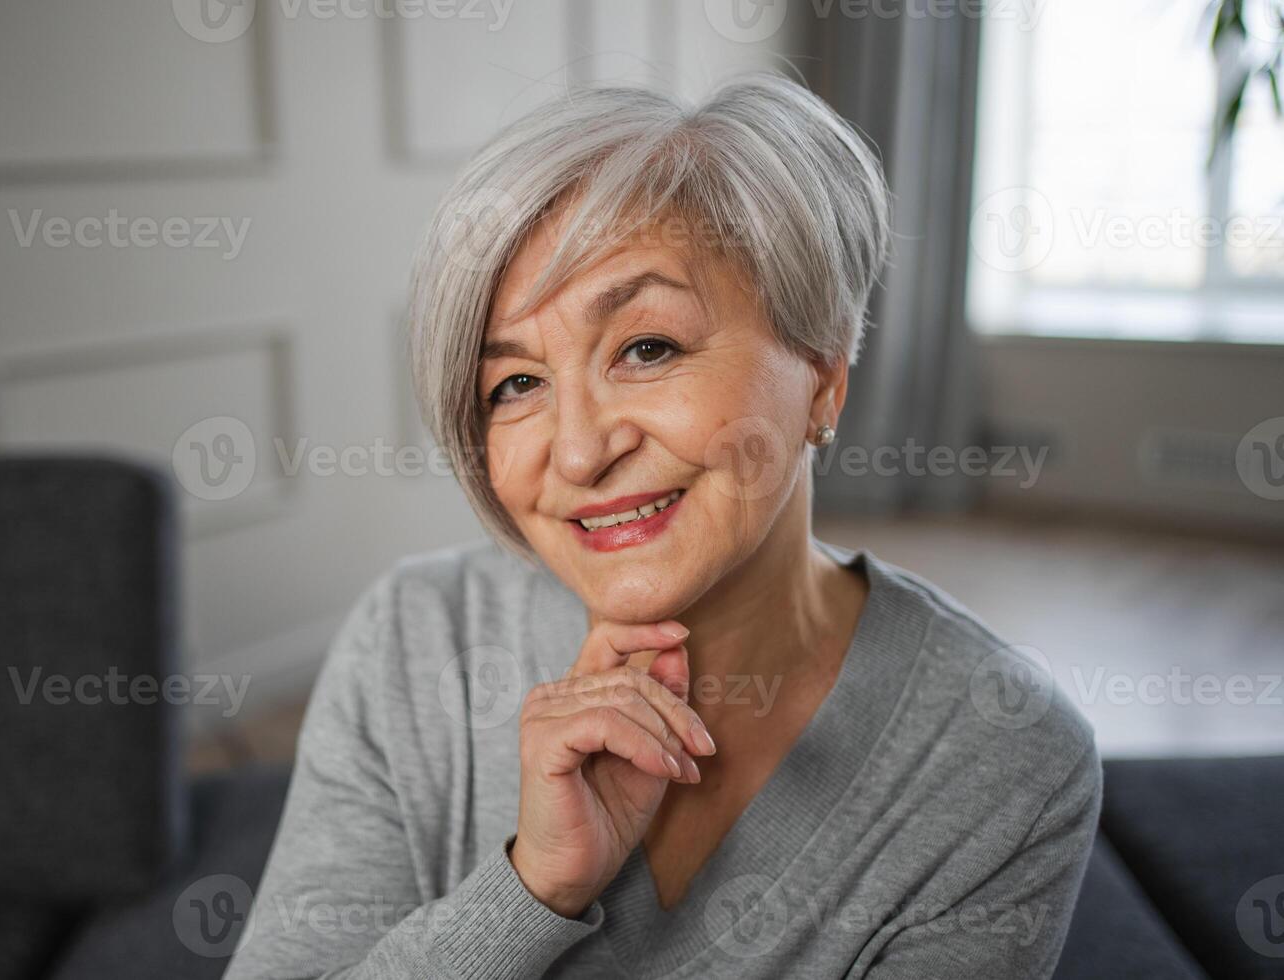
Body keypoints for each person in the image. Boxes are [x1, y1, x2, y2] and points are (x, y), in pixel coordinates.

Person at [225, 72, 1100, 979]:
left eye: (647, 348)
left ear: (823, 374)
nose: (577, 454)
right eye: (515, 383)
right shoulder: (414, 641)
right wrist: (530, 892)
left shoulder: (1001, 754)